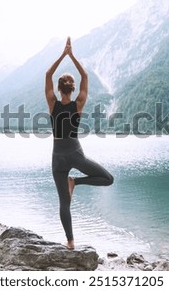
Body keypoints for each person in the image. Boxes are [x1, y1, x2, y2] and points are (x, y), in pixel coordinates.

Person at [45, 37, 114, 249]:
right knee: (108, 179)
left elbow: (48, 74)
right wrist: (72, 55)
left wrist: (62, 54)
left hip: (57, 158)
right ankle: (76, 182)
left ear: (58, 89)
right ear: (73, 90)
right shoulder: (78, 104)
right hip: (75, 154)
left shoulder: (52, 103)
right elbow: (85, 75)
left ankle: (71, 242)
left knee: (64, 203)